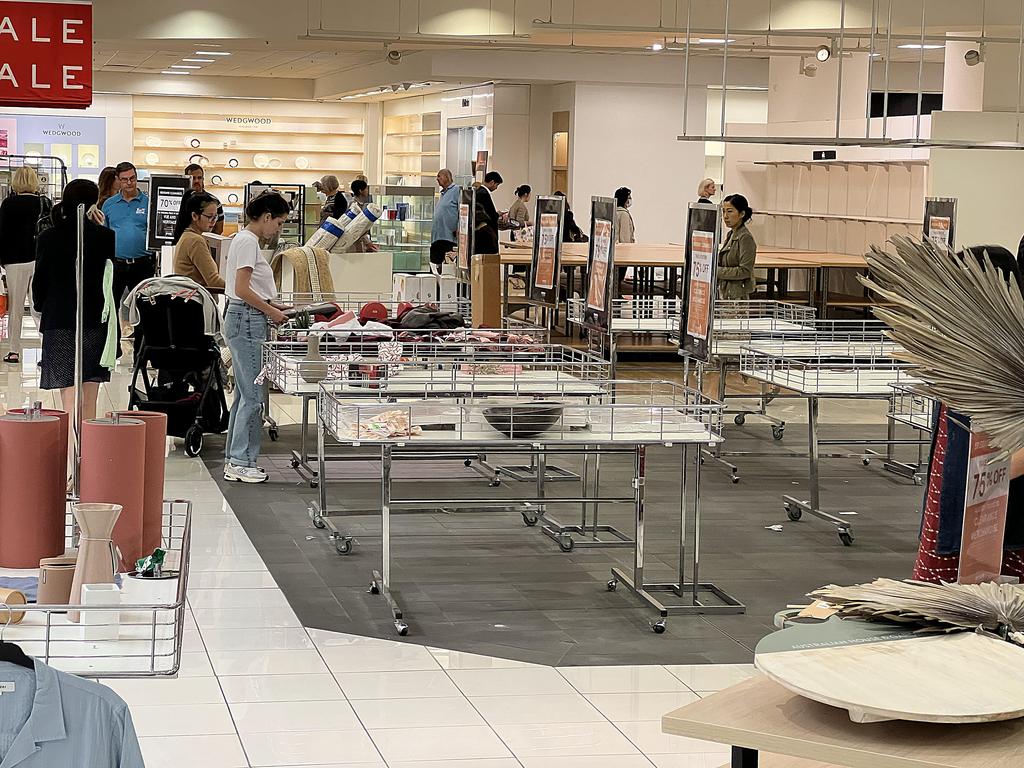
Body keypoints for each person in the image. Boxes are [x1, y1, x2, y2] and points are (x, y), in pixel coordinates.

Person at [33, 179, 116, 441]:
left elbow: (40, 282)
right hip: (94, 320)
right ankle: (88, 467)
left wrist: (41, 305)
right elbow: (108, 279)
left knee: (69, 399)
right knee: (89, 401)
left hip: (60, 320)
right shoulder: (104, 236)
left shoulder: (49, 237)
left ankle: (72, 467)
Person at [222, 191, 291, 483]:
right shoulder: (249, 242)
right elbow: (242, 288)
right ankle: (241, 461)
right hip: (248, 320)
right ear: (266, 217)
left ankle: (234, 458)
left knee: (243, 395)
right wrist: (269, 311)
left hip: (244, 316)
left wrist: (271, 305)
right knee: (253, 398)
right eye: (279, 223)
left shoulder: (242, 239)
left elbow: (247, 289)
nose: (278, 229)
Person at [102, 162, 153, 350]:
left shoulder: (148, 202)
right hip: (116, 264)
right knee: (111, 305)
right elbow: (104, 234)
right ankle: (112, 349)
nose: (129, 183)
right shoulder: (109, 205)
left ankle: (141, 350)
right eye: (124, 180)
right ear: (118, 180)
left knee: (142, 307)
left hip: (142, 263)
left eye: (132, 178)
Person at [0, 165, 47, 363]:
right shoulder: (44, 203)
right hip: (39, 259)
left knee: (16, 308)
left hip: (14, 261)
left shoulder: (8, 204)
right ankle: (47, 350)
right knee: (39, 307)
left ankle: (14, 351)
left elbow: (2, 233)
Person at [172, 190, 225, 291]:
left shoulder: (187, 236)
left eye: (215, 217)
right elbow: (214, 281)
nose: (214, 221)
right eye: (209, 217)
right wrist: (240, 289)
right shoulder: (195, 241)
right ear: (194, 216)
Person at [718, 194, 757, 300]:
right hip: (726, 292)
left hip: (738, 295)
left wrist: (717, 272)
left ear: (742, 214)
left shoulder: (745, 237)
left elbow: (745, 271)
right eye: (723, 211)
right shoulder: (731, 234)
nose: (725, 216)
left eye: (730, 211)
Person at [183, 163, 224, 235]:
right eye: (193, 178)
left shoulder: (214, 201)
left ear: (203, 179)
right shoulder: (180, 200)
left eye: (199, 178)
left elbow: (219, 229)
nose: (196, 181)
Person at [430, 168, 459, 266]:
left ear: (447, 177)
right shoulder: (443, 193)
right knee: (434, 265)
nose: (437, 179)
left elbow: (462, 211)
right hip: (437, 237)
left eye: (439, 176)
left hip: (449, 237)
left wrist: (459, 227)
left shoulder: (456, 190)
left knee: (448, 267)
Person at [473, 171, 503, 254]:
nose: (496, 188)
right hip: (485, 235)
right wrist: (497, 214)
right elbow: (490, 215)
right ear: (492, 182)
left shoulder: (477, 192)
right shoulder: (483, 193)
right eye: (497, 185)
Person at [348, 179, 378, 253]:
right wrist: (368, 243)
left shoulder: (361, 205)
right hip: (354, 243)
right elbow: (358, 227)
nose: (367, 191)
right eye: (366, 189)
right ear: (361, 191)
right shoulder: (354, 207)